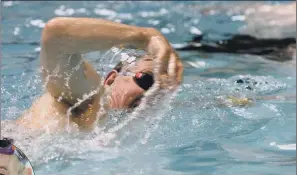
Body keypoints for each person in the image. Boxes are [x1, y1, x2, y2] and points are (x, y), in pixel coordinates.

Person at [17, 17, 184, 131]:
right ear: (111, 79)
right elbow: (55, 35)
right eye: (148, 80)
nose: (153, 94)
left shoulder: (115, 133)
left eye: (163, 91)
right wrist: (145, 37)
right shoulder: (88, 99)